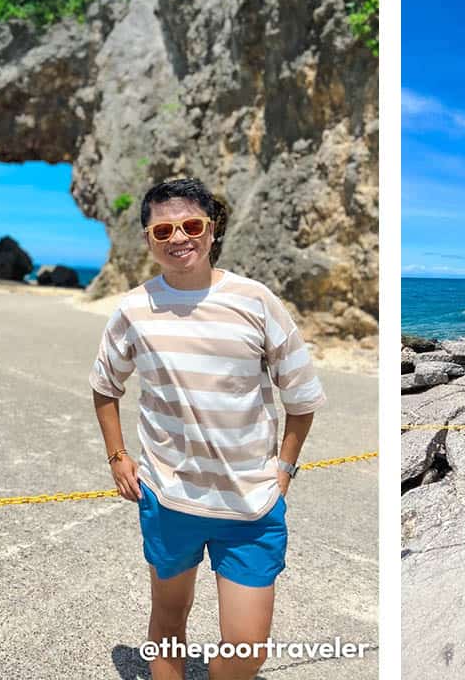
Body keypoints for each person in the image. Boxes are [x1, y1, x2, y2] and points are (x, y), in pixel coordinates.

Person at [89, 178, 326, 680]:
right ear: (148, 239)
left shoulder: (255, 300)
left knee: (247, 649)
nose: (179, 238)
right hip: (169, 498)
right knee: (170, 619)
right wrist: (117, 456)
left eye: (191, 225)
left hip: (251, 505)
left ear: (212, 230)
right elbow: (105, 386)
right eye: (163, 230)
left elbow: (301, 397)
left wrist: (284, 468)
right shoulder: (133, 309)